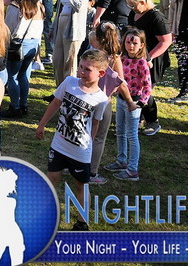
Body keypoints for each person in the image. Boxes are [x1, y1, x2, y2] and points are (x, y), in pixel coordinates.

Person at [35, 50, 109, 231]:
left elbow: (95, 124)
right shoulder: (69, 83)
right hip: (59, 144)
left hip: (80, 151)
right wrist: (42, 124)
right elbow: (55, 103)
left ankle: (82, 222)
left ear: (101, 73)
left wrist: (89, 145)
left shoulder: (101, 100)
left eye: (87, 69)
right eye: (81, 67)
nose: (81, 72)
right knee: (52, 178)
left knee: (80, 185)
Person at [88, 22, 137, 185]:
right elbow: (121, 83)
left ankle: (74, 165)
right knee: (98, 137)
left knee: (83, 133)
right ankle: (92, 172)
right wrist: (130, 102)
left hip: (86, 98)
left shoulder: (91, 54)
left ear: (97, 37)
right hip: (103, 102)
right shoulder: (113, 59)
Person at [103, 27, 151, 182]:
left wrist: (140, 103)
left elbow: (148, 86)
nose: (131, 46)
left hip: (134, 102)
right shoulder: (122, 59)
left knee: (132, 135)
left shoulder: (142, 63)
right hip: (121, 99)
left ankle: (132, 169)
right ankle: (121, 160)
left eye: (134, 43)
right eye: (128, 42)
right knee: (120, 132)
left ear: (141, 45)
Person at [125, 0, 172, 136]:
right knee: (133, 88)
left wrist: (148, 57)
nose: (131, 8)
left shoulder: (156, 18)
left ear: (142, 2)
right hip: (135, 58)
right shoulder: (134, 13)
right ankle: (138, 119)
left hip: (153, 59)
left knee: (144, 91)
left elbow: (166, 41)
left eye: (133, 5)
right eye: (129, 5)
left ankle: (153, 121)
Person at [2, 0, 44, 118]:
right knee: (23, 74)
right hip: (34, 43)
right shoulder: (39, 5)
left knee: (12, 76)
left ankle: (15, 107)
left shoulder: (16, 7)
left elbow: (8, 28)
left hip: (19, 44)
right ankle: (23, 104)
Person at [51, 0, 91, 86]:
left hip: (74, 28)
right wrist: (53, 27)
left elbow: (79, 6)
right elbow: (59, 9)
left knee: (69, 62)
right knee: (57, 60)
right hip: (61, 24)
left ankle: (69, 90)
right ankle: (59, 89)